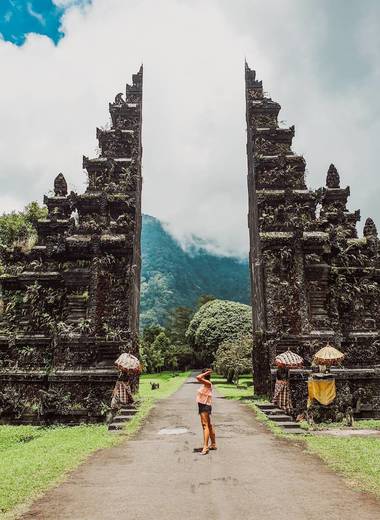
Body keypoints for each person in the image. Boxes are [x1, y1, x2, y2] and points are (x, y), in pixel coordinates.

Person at [196, 368, 217, 455]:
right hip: (204, 406)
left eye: (203, 374)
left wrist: (207, 372)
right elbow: (200, 378)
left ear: (205, 375)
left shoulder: (208, 383)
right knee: (209, 425)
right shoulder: (205, 384)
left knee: (205, 426)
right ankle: (213, 444)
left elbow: (198, 377)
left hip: (204, 407)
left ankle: (205, 447)